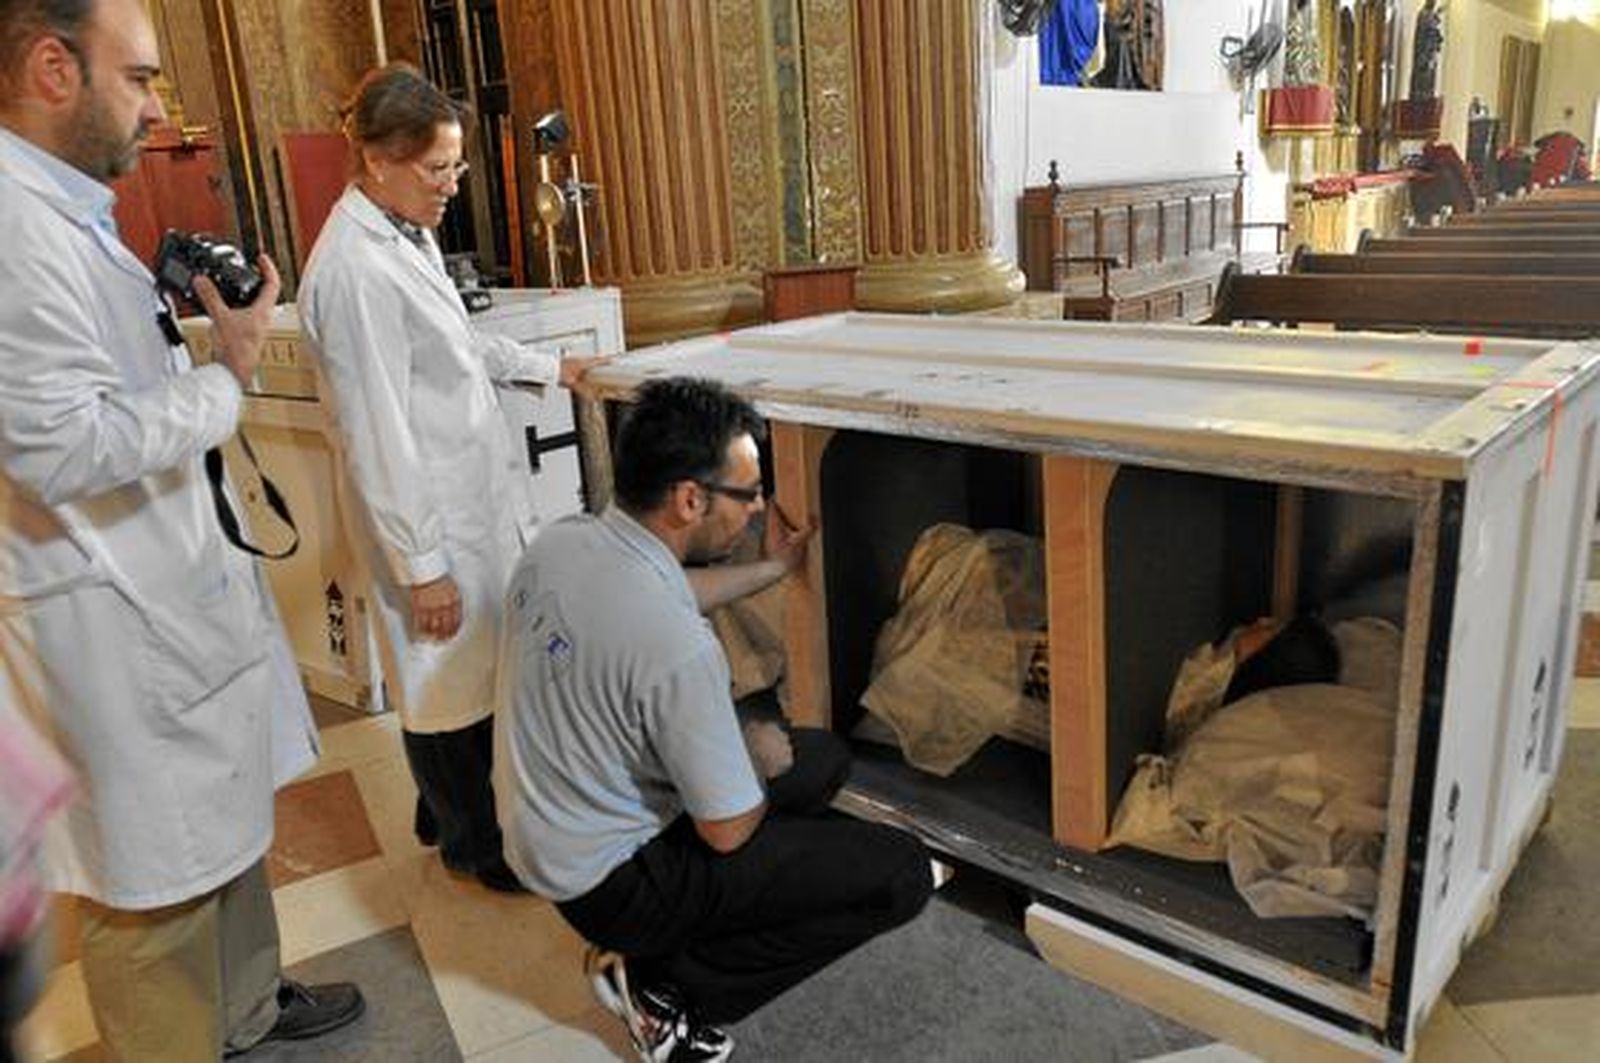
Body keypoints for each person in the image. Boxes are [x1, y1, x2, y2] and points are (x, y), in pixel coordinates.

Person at [0, 0, 364, 1058]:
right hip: (103, 619)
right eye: (142, 79)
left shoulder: (62, 209)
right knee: (152, 889)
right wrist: (230, 375)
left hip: (160, 588)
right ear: (54, 68)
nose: (159, 110)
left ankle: (245, 1005)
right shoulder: (16, 231)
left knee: (223, 830)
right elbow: (61, 449)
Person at [496, 377, 934, 1062]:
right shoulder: (678, 648)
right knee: (900, 873)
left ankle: (700, 925)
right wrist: (748, 757)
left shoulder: (566, 542)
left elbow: (674, 587)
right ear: (690, 498)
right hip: (611, 879)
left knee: (821, 758)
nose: (760, 507)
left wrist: (772, 568)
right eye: (748, 492)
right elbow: (727, 831)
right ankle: (662, 987)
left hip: (546, 835)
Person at [298, 63, 605, 893]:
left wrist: (551, 365)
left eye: (456, 167)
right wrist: (421, 563)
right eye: (437, 168)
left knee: (466, 667)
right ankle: (474, 845)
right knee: (441, 682)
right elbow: (377, 434)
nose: (451, 186)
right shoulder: (353, 269)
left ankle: (442, 812)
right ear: (378, 160)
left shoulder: (405, 230)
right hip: (423, 512)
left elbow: (457, 348)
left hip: (463, 499)